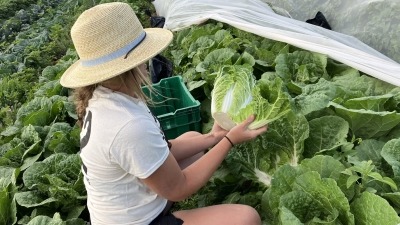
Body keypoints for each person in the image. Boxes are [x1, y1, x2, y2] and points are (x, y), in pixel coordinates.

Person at [60, 2, 268, 225]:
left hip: (124, 207)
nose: (148, 63)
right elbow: (179, 189)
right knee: (246, 218)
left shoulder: (108, 96)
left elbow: (161, 149)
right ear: (130, 65)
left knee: (194, 139)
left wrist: (213, 138)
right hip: (138, 221)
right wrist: (228, 141)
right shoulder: (126, 125)